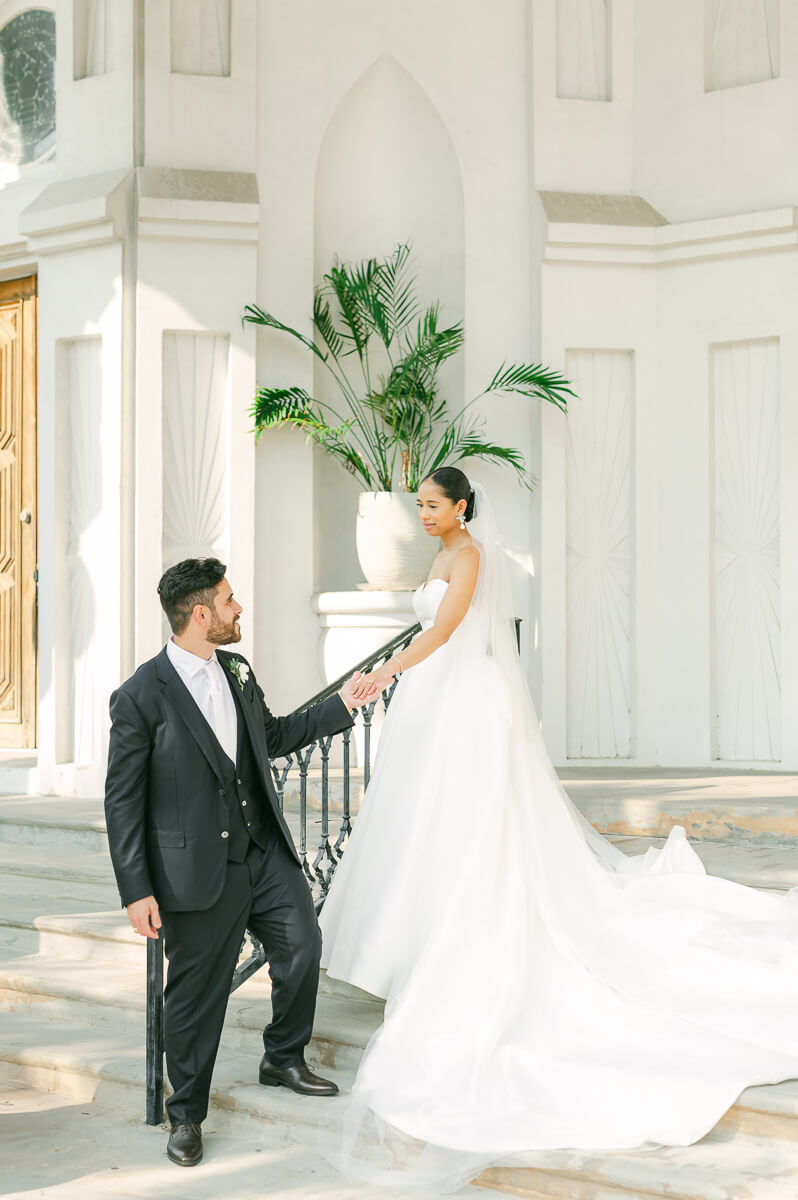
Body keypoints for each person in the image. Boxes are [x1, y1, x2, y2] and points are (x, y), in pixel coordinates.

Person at [319, 467, 798, 1192]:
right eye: (418, 504)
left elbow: (447, 630)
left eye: (432, 504)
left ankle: (464, 937)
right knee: (425, 827)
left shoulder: (472, 555)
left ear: (462, 508)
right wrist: (398, 675)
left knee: (475, 824)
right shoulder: (440, 555)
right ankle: (417, 940)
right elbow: (431, 623)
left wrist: (383, 674)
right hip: (435, 700)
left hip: (466, 702)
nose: (422, 514)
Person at [104, 558, 363, 1168]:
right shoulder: (142, 695)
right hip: (194, 872)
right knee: (195, 997)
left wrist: (342, 705)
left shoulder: (239, 671)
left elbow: (268, 738)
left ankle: (283, 1056)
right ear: (201, 614)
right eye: (228, 600)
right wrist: (135, 888)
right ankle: (186, 1114)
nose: (238, 607)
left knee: (301, 944)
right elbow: (122, 802)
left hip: (262, 851)